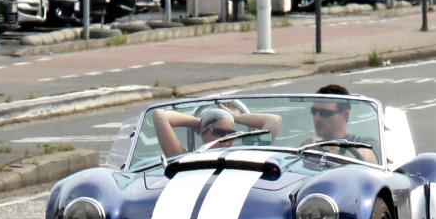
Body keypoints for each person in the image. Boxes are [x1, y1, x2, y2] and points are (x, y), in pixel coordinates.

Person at [153, 102, 282, 158]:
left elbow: (274, 121)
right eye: (219, 133)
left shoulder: (248, 156)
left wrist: (235, 117)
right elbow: (160, 116)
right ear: (204, 133)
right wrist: (200, 123)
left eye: (232, 134)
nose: (227, 140)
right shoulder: (185, 159)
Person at [305, 83, 377, 163]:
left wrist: (335, 151)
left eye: (325, 113)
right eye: (314, 111)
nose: (316, 118)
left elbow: (368, 158)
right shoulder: (314, 147)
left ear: (344, 115)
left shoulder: (367, 143)